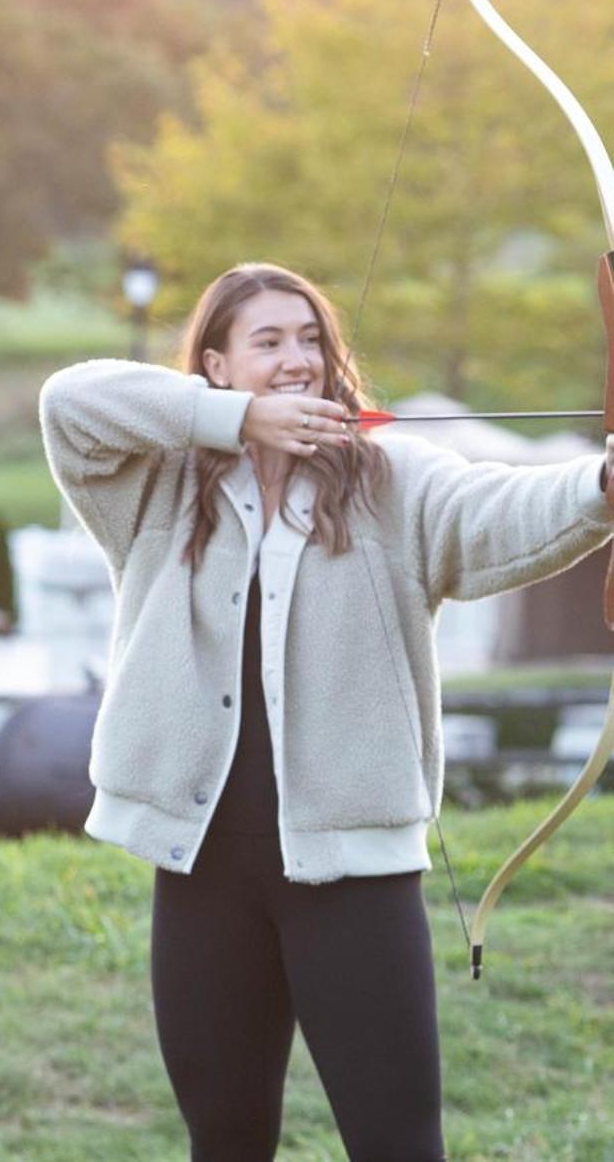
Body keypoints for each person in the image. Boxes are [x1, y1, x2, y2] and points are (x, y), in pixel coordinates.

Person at [38, 262, 613, 1161]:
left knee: (397, 1143)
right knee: (225, 1139)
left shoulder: (390, 478)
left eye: (311, 339)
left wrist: (601, 487)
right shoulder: (156, 486)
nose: (298, 359)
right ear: (217, 367)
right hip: (203, 872)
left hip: (355, 877)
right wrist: (234, 424)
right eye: (267, 342)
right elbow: (69, 402)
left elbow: (497, 511)